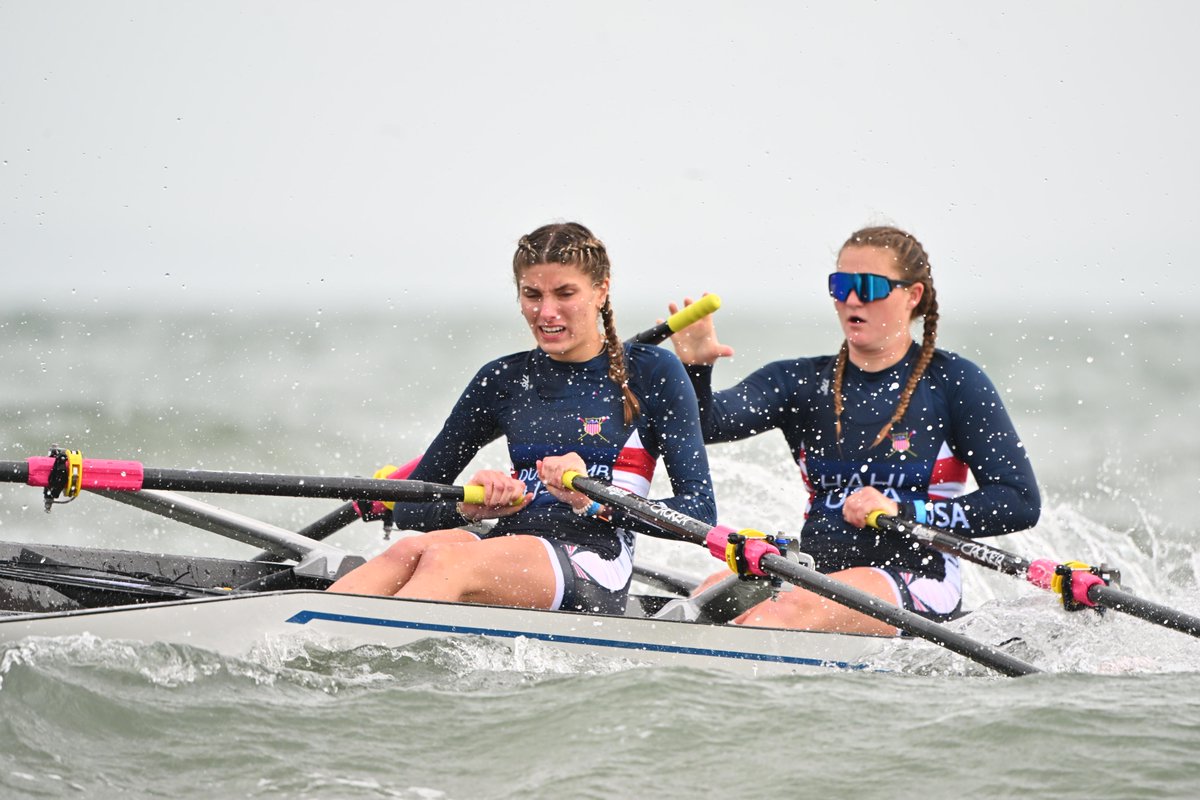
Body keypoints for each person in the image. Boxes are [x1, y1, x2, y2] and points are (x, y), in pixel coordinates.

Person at [329, 222, 716, 614]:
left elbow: (699, 509)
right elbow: (410, 506)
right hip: (508, 544)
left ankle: (378, 659)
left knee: (444, 561)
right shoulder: (502, 380)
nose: (546, 312)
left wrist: (592, 501)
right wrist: (469, 509)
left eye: (565, 293)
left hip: (593, 560)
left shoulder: (653, 372)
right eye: (532, 294)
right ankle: (304, 646)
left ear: (601, 291)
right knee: (408, 550)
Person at [669, 225, 1040, 634]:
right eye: (840, 284)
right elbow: (707, 424)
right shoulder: (801, 382)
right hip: (817, 571)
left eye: (868, 285)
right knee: (708, 599)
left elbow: (1018, 500)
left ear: (912, 296)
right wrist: (695, 369)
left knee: (775, 616)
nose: (850, 299)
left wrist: (905, 511)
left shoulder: (954, 383)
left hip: (917, 576)